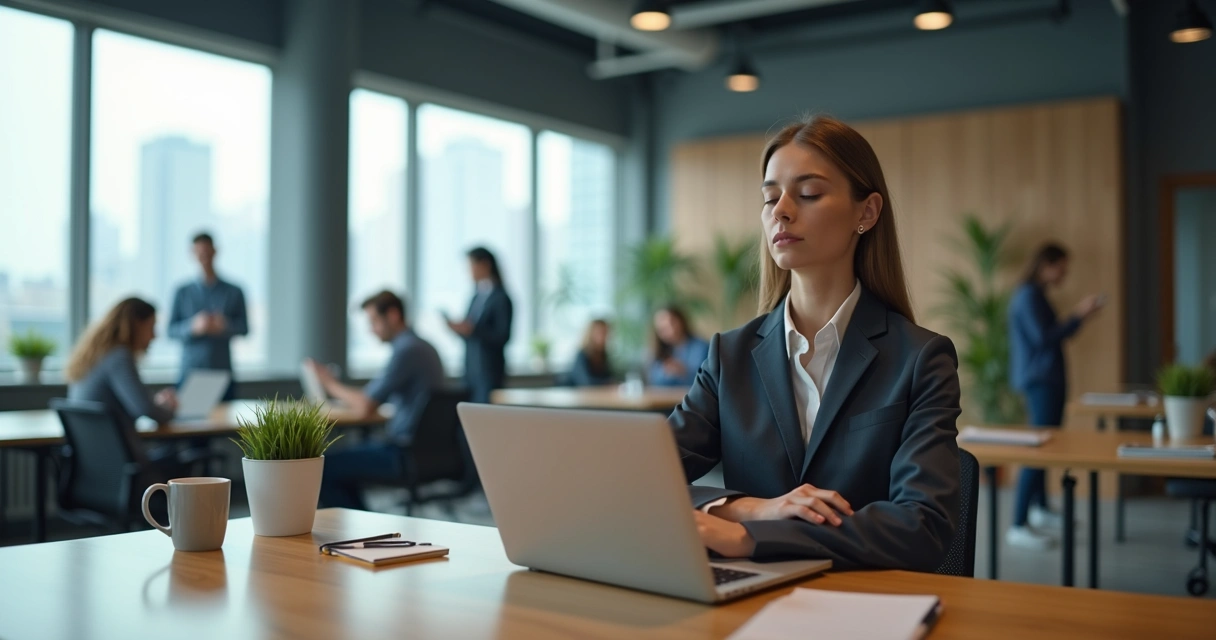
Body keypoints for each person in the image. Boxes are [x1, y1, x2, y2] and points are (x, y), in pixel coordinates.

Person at [670, 116, 962, 572]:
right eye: (770, 198)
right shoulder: (729, 356)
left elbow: (923, 526)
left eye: (807, 193)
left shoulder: (921, 359)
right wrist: (747, 509)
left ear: (866, 213)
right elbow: (642, 481)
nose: (781, 211)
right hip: (745, 604)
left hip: (866, 604)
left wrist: (750, 537)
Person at [1006, 243, 1104, 550]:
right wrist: (1078, 314)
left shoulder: (1034, 295)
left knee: (1046, 445)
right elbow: (1045, 339)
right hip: (1041, 382)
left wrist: (1078, 318)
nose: (1064, 274)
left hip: (1044, 380)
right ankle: (1018, 523)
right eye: (1061, 267)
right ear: (1046, 264)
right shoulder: (1028, 296)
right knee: (1038, 449)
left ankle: (1039, 509)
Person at [312, 291, 445, 511]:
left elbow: (366, 405)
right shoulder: (421, 347)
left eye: (374, 321)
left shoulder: (408, 350)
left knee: (321, 467)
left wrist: (329, 384)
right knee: (341, 462)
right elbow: (371, 399)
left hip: (404, 455)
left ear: (392, 315)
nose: (371, 329)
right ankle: (361, 525)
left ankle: (359, 530)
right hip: (425, 453)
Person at [65, 297, 178, 426]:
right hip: (111, 444)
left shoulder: (97, 354)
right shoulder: (119, 357)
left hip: (91, 443)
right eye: (151, 327)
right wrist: (171, 410)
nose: (154, 336)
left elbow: (138, 402)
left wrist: (155, 403)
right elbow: (145, 409)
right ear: (137, 325)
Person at [168, 232, 248, 401]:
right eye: (199, 252)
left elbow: (244, 328)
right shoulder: (182, 291)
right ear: (193, 254)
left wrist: (225, 326)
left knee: (227, 424)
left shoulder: (234, 291)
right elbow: (170, 331)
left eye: (207, 251)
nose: (204, 256)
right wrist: (193, 327)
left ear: (215, 251)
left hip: (222, 371)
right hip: (191, 371)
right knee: (189, 424)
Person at [446, 247, 513, 403]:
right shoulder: (475, 296)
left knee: (486, 420)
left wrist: (473, 330)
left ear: (485, 264)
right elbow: (470, 333)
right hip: (471, 370)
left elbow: (503, 336)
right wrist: (459, 329)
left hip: (489, 372)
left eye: (471, 266)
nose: (469, 271)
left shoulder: (501, 298)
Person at [646, 307, 709, 388]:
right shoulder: (660, 351)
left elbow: (707, 380)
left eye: (671, 323)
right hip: (666, 399)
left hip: (696, 398)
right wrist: (667, 372)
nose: (669, 329)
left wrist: (684, 372)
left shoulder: (701, 347)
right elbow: (654, 380)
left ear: (681, 321)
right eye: (662, 328)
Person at [568, 319, 615, 387]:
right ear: (591, 335)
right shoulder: (582, 355)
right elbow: (585, 382)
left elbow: (609, 377)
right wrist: (607, 383)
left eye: (606, 333)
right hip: (576, 394)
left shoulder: (602, 355)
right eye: (600, 333)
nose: (604, 337)